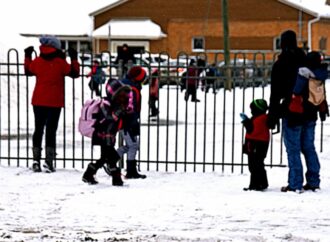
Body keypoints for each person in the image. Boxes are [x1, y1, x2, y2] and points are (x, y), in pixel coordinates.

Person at [24, 35, 80, 173]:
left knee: (38, 129)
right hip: (55, 101)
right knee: (51, 131)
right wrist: (73, 58)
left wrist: (27, 56)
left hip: (38, 100)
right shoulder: (60, 62)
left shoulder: (37, 61)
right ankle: (48, 162)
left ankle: (35, 160)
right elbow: (74, 73)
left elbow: (28, 71)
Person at [268, 30, 308, 193]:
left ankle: (295, 183)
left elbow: (275, 92)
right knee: (306, 147)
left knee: (292, 148)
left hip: (290, 109)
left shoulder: (281, 64)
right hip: (307, 109)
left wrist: (273, 115)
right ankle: (312, 179)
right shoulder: (304, 61)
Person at [283, 51, 328, 192]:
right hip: (311, 115)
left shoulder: (303, 73)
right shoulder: (320, 75)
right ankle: (314, 181)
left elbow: (296, 91)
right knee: (309, 148)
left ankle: (295, 183)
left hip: (297, 115)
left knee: (293, 149)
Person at [82, 79, 131, 186]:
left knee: (106, 157)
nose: (123, 96)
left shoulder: (116, 104)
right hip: (102, 136)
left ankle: (89, 173)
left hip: (110, 136)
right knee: (112, 157)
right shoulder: (105, 104)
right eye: (121, 93)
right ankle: (116, 178)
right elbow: (109, 118)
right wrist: (119, 111)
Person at [105, 66, 147, 179]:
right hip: (128, 122)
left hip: (127, 121)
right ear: (137, 78)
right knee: (133, 145)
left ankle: (115, 163)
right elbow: (130, 108)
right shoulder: (131, 89)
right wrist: (131, 122)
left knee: (131, 145)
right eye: (143, 78)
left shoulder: (127, 85)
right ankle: (125, 168)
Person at [241, 99, 270, 191]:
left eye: (252, 109)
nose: (251, 111)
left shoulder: (260, 119)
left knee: (255, 165)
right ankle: (259, 183)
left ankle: (257, 184)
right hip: (258, 144)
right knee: (258, 164)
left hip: (256, 145)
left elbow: (252, 131)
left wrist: (246, 122)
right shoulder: (260, 117)